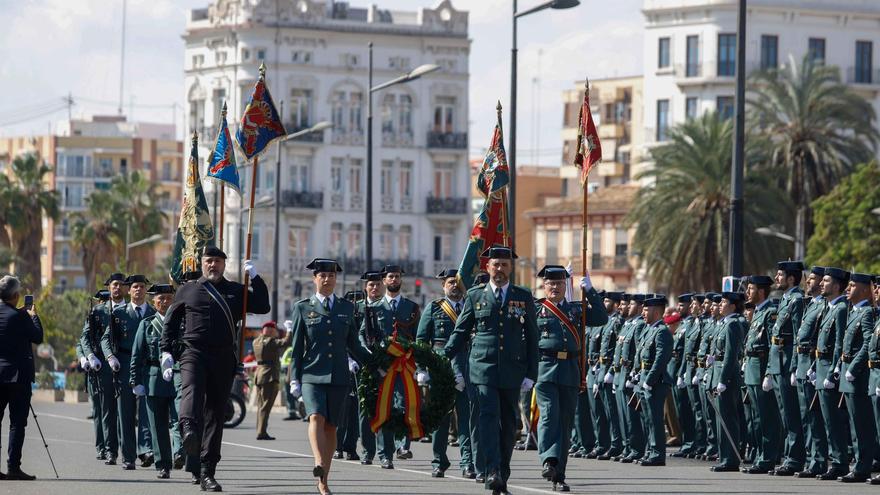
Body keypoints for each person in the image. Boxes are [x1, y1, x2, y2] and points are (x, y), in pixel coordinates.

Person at [160, 247, 270, 492]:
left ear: (224, 265)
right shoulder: (187, 289)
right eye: (209, 261)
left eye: (218, 262)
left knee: (215, 414)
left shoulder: (235, 290)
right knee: (191, 391)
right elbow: (171, 321)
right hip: (193, 352)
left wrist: (256, 278)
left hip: (223, 356)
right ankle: (187, 429)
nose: (213, 265)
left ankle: (207, 472)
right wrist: (166, 351)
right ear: (202, 263)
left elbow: (263, 306)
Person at [445, 246, 538, 495]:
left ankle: (502, 473)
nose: (499, 269)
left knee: (509, 424)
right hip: (482, 369)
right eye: (495, 264)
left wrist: (532, 373)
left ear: (511, 268)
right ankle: (492, 470)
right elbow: (461, 332)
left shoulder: (523, 296)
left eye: (504, 265)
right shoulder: (475, 296)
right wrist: (442, 358)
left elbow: (532, 337)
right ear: (488, 267)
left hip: (512, 370)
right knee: (486, 419)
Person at [288, 258, 372, 495]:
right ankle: (318, 462)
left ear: (336, 279)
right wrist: (294, 378)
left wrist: (376, 363)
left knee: (332, 427)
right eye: (322, 276)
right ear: (314, 279)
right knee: (316, 417)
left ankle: (323, 481)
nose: (327, 280)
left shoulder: (346, 308)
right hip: (312, 373)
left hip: (338, 375)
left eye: (332, 276)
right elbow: (296, 347)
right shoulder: (302, 307)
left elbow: (354, 344)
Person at [534, 265, 607, 492]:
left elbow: (601, 317)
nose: (554, 287)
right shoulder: (535, 310)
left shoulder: (576, 309)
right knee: (549, 416)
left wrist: (591, 291)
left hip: (570, 370)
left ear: (565, 286)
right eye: (550, 284)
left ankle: (559, 474)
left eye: (559, 284)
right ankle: (549, 460)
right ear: (544, 286)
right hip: (545, 368)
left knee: (565, 424)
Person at [359, 265, 421, 467]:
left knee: (405, 406)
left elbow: (418, 337)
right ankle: (385, 455)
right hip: (382, 366)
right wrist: (368, 354)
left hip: (404, 364)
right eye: (390, 277)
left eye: (397, 276)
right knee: (383, 408)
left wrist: (420, 364)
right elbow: (362, 335)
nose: (394, 279)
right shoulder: (373, 308)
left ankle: (404, 445)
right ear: (384, 281)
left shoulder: (411, 308)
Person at [415, 268, 474, 479]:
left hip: (467, 369)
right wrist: (422, 369)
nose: (455, 286)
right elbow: (421, 341)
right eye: (451, 282)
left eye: (458, 282)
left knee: (467, 421)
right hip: (440, 369)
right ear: (443, 285)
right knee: (440, 421)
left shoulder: (471, 306)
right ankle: (439, 461)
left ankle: (468, 463)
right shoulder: (434, 308)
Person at [101, 274, 155, 470]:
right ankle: (128, 457)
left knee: (146, 412)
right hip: (123, 365)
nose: (138, 290)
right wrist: (110, 357)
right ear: (128, 290)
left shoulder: (153, 313)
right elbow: (106, 340)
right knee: (126, 412)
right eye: (134, 287)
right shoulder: (119, 313)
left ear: (146, 290)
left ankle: (145, 450)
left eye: (142, 286)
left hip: (146, 366)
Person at [130, 283, 181, 479]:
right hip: (153, 379)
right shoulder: (147, 324)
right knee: (158, 426)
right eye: (161, 299)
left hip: (177, 376)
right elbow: (137, 354)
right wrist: (135, 381)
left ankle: (179, 454)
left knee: (179, 421)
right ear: (154, 301)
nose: (165, 302)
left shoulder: (181, 322)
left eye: (168, 298)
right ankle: (163, 465)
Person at [0, 275, 43, 480]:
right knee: (17, 423)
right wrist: (33, 315)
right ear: (16, 295)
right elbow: (37, 337)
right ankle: (13, 467)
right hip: (17, 378)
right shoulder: (20, 317)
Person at [81, 273, 127, 465]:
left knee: (126, 411)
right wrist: (90, 356)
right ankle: (110, 450)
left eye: (121, 285)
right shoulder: (98, 311)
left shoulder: (130, 310)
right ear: (109, 287)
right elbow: (85, 337)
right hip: (103, 367)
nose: (117, 288)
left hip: (125, 364)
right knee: (107, 411)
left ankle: (131, 450)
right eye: (114, 285)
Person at [766, 260, 806, 476]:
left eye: (780, 275)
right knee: (785, 412)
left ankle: (795, 459)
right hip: (779, 359)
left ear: (791, 278)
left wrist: (793, 366)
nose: (777, 278)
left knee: (791, 413)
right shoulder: (785, 299)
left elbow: (799, 335)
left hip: (787, 359)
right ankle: (790, 456)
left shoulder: (797, 300)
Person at [837, 272, 876, 483]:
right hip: (847, 373)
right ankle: (860, 465)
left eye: (852, 286)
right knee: (854, 424)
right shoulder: (854, 312)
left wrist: (853, 368)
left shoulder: (867, 313)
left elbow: (868, 343)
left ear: (862, 290)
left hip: (857, 377)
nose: (847, 289)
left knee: (861, 425)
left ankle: (862, 467)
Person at [791, 266, 829, 478]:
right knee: (807, 418)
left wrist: (814, 367)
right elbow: (800, 339)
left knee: (816, 418)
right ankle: (812, 459)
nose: (810, 282)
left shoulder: (824, 306)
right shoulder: (810, 305)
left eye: (813, 279)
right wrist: (797, 365)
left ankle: (819, 461)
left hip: (814, 366)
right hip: (804, 364)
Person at [741, 275, 781, 474]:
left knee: (766, 418)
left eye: (751, 288)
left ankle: (767, 458)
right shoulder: (758, 312)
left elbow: (772, 344)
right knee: (756, 418)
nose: (748, 292)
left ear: (762, 291)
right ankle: (760, 455)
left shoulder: (770, 313)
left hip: (760, 369)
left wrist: (768, 373)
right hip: (751, 368)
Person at [814, 267, 851, 480]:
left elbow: (839, 344)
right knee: (827, 420)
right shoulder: (830, 307)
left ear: (837, 286)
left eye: (826, 281)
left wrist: (834, 370)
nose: (821, 284)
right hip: (820, 368)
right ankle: (835, 460)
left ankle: (839, 462)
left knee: (834, 420)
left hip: (829, 370)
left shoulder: (840, 309)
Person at [708, 292, 746, 472]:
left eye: (724, 302)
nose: (720, 305)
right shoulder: (723, 324)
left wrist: (723, 379)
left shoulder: (732, 325)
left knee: (728, 419)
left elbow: (731, 355)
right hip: (717, 374)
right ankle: (724, 456)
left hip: (727, 378)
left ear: (733, 306)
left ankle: (730, 459)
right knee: (720, 419)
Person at [635, 295, 673, 466]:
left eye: (646, 309)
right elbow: (640, 354)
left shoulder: (662, 331)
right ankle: (650, 450)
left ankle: (658, 454)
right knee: (648, 418)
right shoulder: (649, 329)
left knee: (655, 418)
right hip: (645, 378)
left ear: (656, 311)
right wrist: (637, 374)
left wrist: (649, 380)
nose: (643, 312)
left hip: (656, 382)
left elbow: (660, 359)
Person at [612, 293, 646, 463]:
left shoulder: (639, 325)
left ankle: (636, 448)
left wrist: (633, 373)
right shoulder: (627, 325)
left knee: (632, 416)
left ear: (640, 307)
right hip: (619, 374)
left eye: (630, 304)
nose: (624, 307)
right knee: (623, 415)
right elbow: (618, 350)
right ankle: (627, 447)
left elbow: (638, 352)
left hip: (628, 374)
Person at [355, 271, 384, 465]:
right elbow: (353, 335)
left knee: (385, 408)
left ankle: (385, 452)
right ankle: (367, 450)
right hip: (363, 363)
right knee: (365, 409)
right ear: (366, 287)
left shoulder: (387, 307)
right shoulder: (356, 308)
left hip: (386, 363)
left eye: (377, 285)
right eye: (370, 285)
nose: (374, 288)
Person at [335, 290, 363, 460]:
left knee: (355, 412)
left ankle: (351, 447)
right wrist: (347, 359)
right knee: (342, 412)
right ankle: (337, 446)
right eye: (351, 301)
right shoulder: (341, 319)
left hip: (359, 368)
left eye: (358, 301)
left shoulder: (364, 318)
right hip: (343, 367)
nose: (355, 305)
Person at [595, 288, 623, 460]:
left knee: (612, 411)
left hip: (611, 369)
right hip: (600, 368)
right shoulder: (604, 321)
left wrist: (612, 370)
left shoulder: (617, 321)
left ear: (615, 304)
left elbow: (619, 349)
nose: (604, 304)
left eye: (606, 301)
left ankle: (616, 444)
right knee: (602, 412)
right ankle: (604, 443)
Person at [253, 320, 293, 440]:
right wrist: (289, 330)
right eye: (275, 330)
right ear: (270, 330)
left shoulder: (256, 341)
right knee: (266, 406)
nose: (276, 332)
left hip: (259, 375)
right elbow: (286, 342)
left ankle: (260, 430)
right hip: (269, 376)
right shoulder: (270, 341)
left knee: (261, 405)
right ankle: (262, 432)